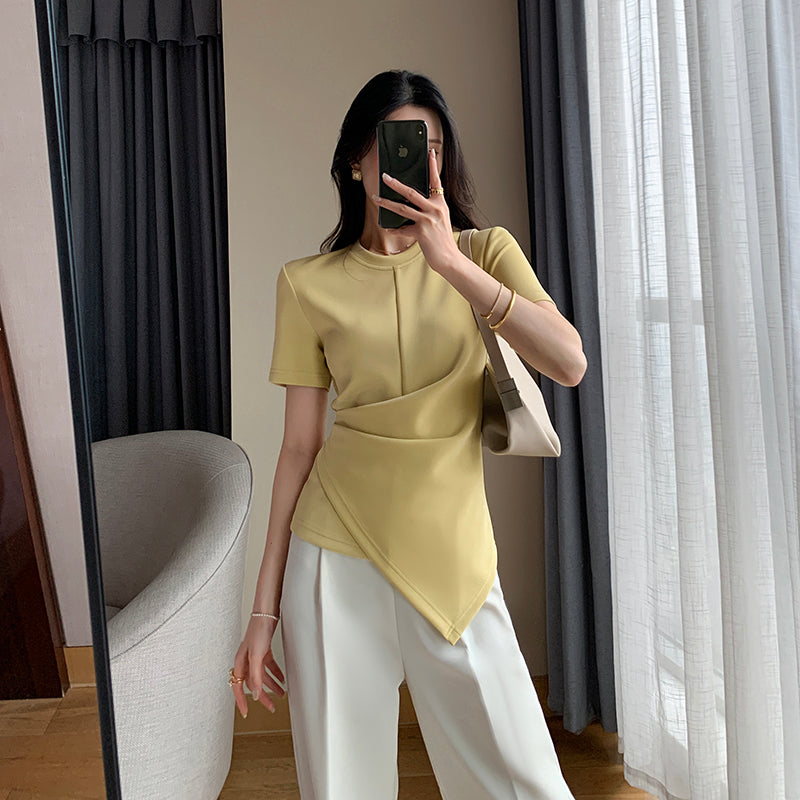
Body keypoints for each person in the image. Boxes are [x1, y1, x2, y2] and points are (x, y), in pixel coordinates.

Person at [229, 69, 586, 799]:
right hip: (333, 552)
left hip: (452, 547)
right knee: (341, 783)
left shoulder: (484, 253)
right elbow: (298, 449)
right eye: (399, 143)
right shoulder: (306, 283)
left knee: (523, 781)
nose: (420, 160)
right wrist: (261, 612)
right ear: (357, 161)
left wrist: (449, 263)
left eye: (434, 147)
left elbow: (569, 362)